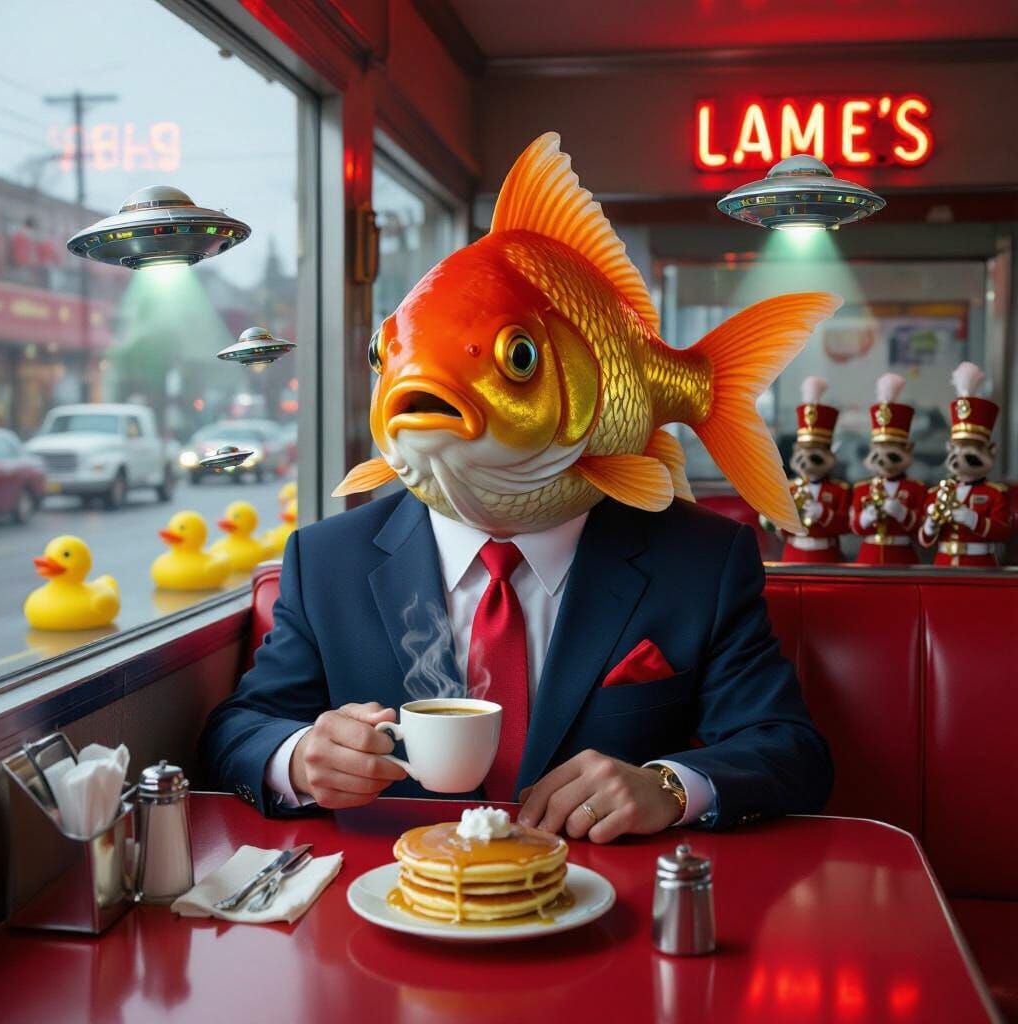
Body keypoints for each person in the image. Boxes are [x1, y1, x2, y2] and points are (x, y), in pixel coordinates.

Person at [202, 133, 834, 841]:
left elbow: (790, 750)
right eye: (387, 356)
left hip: (601, 892)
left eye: (517, 359)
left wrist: (665, 786)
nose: (411, 384)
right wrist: (298, 758)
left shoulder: (701, 561)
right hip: (397, 890)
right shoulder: (327, 561)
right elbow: (239, 730)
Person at [918, 362, 1011, 567]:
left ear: (990, 451)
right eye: (957, 448)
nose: (961, 457)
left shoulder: (995, 494)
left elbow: (1004, 531)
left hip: (980, 564)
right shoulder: (937, 492)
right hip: (944, 563)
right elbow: (924, 540)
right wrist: (931, 524)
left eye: (971, 448)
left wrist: (973, 519)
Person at [771, 377, 850, 563]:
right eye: (802, 456)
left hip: (827, 555)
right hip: (793, 553)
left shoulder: (839, 490)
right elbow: (780, 530)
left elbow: (846, 526)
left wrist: (823, 513)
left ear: (830, 456)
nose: (807, 462)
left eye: (815, 456)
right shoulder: (789, 488)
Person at [850, 373, 925, 565]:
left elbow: (922, 529)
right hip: (869, 556)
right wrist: (866, 518)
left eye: (891, 452)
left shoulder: (916, 488)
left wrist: (903, 514)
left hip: (903, 557)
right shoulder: (862, 488)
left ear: (908, 450)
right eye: (878, 451)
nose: (883, 460)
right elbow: (854, 527)